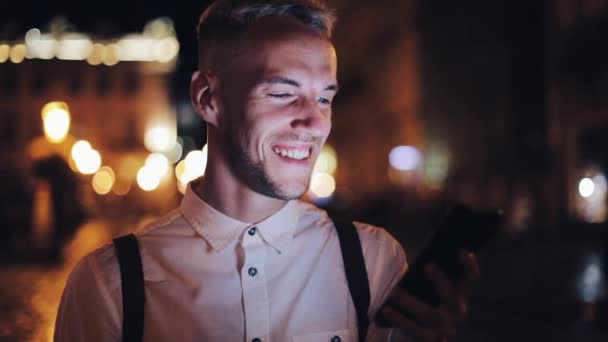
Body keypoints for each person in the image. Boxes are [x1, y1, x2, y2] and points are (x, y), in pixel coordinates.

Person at [54, 1, 477, 341]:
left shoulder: (372, 262)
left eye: (325, 99)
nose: (314, 123)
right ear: (207, 98)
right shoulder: (110, 285)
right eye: (281, 93)